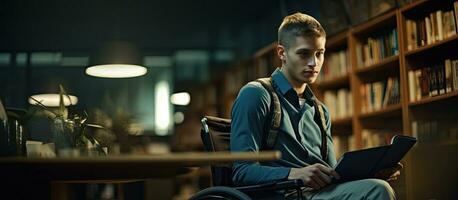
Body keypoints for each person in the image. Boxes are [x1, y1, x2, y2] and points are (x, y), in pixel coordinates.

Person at [230, 12, 400, 200]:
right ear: (282, 53)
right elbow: (242, 171)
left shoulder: (320, 110)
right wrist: (294, 173)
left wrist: (370, 173)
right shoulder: (256, 94)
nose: (314, 63)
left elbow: (333, 174)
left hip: (321, 194)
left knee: (376, 184)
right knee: (377, 190)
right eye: (304, 53)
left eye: (319, 54)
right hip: (285, 195)